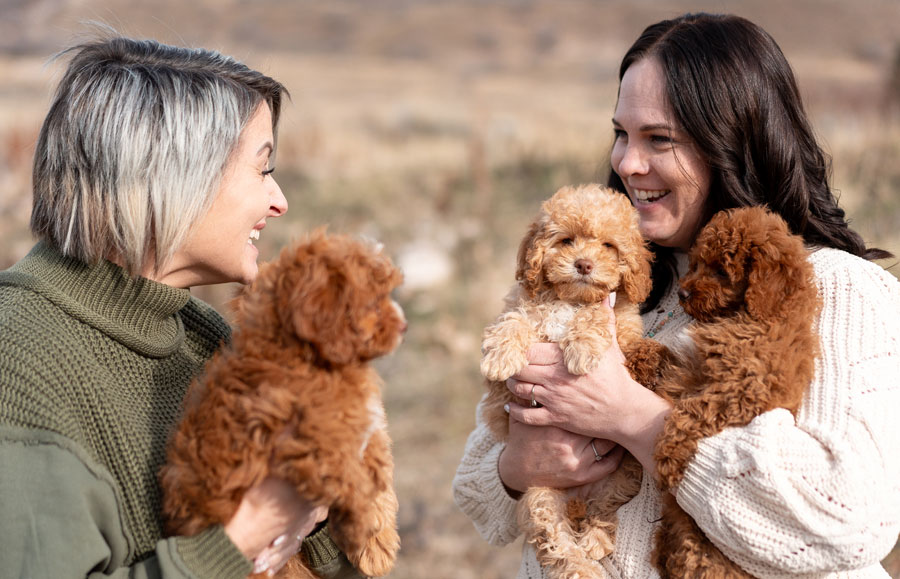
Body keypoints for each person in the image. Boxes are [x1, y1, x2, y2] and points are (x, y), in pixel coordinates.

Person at [453, 12, 900, 578]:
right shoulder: (607, 285)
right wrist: (518, 468)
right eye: (621, 133)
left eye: (658, 139)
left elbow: (850, 521)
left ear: (733, 143)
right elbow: (475, 493)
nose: (627, 163)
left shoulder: (841, 290)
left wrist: (631, 418)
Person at [0, 35, 361, 578]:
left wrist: (318, 509)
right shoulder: (20, 362)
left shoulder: (201, 335)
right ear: (171, 176)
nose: (279, 200)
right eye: (262, 168)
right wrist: (244, 536)